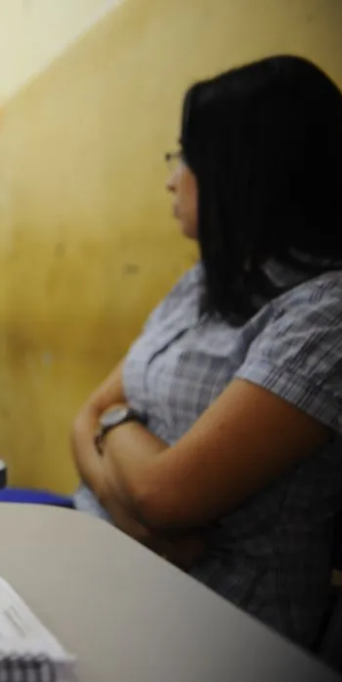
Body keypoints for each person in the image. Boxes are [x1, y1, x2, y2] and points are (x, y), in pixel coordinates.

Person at [70, 55, 342, 647]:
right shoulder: (204, 283)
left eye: (185, 157)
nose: (172, 178)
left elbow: (164, 494)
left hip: (215, 628)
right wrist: (137, 521)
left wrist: (115, 430)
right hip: (115, 560)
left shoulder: (326, 314)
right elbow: (83, 419)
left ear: (243, 169)